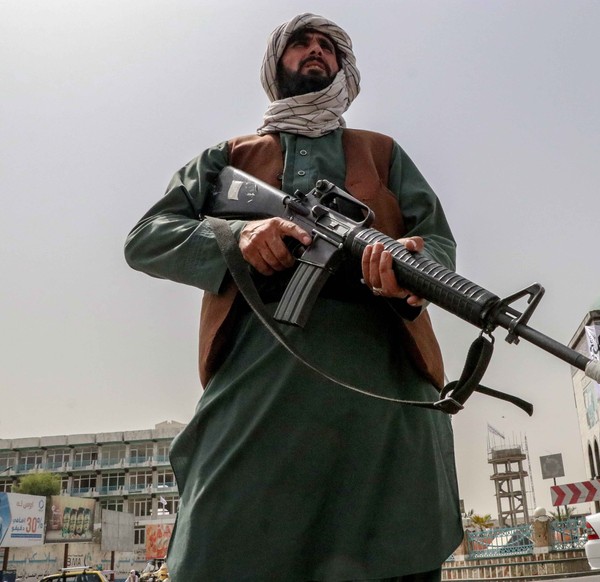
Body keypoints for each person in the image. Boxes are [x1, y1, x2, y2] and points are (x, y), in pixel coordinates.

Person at [125, 13, 462, 582]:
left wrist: (408, 266)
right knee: (218, 543)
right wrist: (236, 237)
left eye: (327, 47)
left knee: (396, 546)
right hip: (260, 373)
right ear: (275, 65)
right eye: (301, 44)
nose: (315, 52)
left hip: (381, 382)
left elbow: (440, 246)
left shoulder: (380, 153)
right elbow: (146, 239)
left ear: (342, 66)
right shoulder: (230, 158)